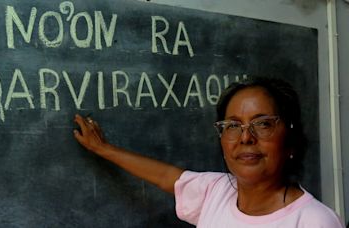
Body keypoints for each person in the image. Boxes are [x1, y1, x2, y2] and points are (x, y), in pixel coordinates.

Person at [73, 77, 344, 227]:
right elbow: (168, 177)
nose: (246, 138)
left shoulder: (313, 221)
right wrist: (104, 149)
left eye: (263, 124)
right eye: (233, 126)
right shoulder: (217, 192)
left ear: (291, 140)